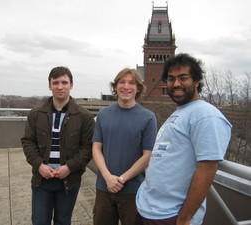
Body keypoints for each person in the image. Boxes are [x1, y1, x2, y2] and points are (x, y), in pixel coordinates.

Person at [135, 53, 232, 225]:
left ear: (196, 82)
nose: (176, 84)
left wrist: (185, 218)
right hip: (149, 209)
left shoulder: (206, 115)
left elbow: (207, 169)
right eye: (171, 79)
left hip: (171, 216)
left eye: (183, 78)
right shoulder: (181, 112)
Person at [21, 66, 95, 225]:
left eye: (64, 82)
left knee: (63, 221)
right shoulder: (36, 114)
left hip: (69, 180)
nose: (60, 87)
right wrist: (39, 165)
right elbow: (28, 142)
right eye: (55, 83)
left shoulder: (84, 117)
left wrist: (69, 167)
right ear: (49, 86)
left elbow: (88, 147)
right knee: (40, 221)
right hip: (42, 179)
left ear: (71, 85)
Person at [92, 68, 157, 225]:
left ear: (138, 88)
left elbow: (148, 155)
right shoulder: (103, 114)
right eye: (122, 82)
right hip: (104, 189)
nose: (126, 87)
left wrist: (121, 179)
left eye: (131, 83)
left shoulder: (148, 117)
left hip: (132, 191)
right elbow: (96, 148)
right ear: (115, 87)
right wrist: (108, 177)